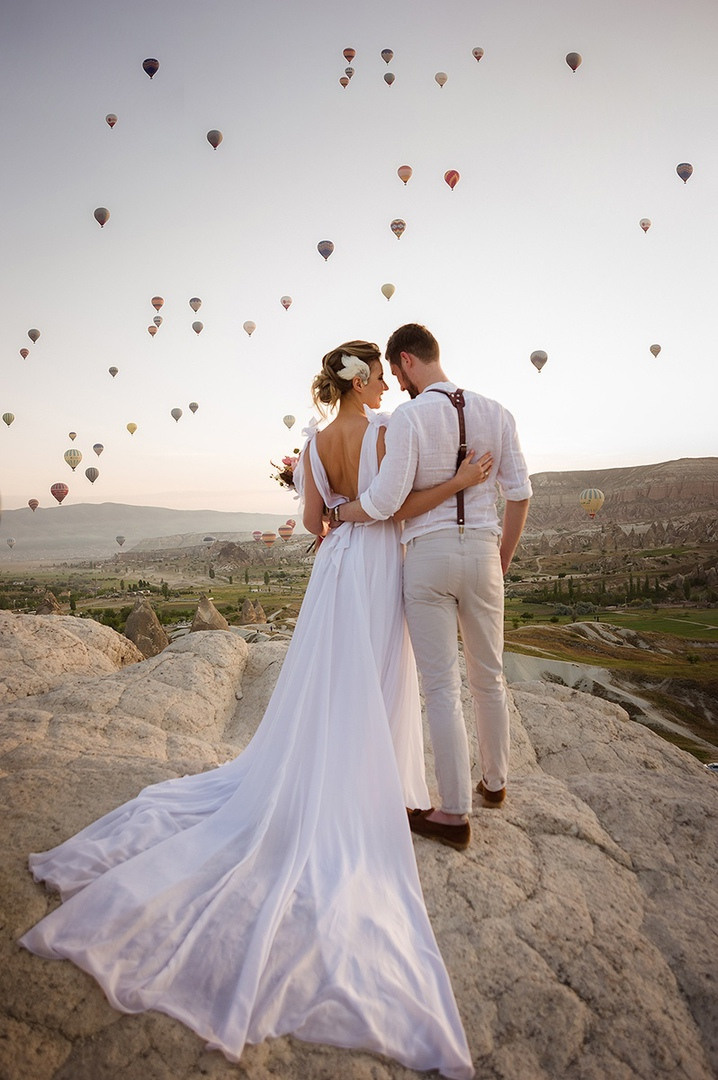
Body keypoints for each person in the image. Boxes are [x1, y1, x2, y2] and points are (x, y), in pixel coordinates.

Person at [19, 340, 490, 1080]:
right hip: (375, 566)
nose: (381, 384)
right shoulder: (392, 431)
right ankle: (377, 789)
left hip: (335, 568)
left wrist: (336, 508)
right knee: (377, 676)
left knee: (332, 679)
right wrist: (462, 479)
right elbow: (394, 508)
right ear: (364, 378)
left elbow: (314, 524)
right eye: (375, 375)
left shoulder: (313, 439)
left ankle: (333, 777)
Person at [334, 325, 532, 851]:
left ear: (405, 360)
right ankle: (495, 784)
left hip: (428, 557)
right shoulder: (497, 412)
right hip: (485, 553)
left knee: (442, 688)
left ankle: (453, 813)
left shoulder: (411, 418)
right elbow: (520, 494)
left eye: (396, 373)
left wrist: (344, 511)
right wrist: (503, 555)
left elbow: (387, 503)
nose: (395, 383)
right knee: (489, 675)